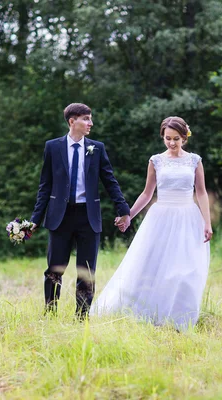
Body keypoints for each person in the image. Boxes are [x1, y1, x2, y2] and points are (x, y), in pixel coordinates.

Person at [91, 116, 213, 331]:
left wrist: (207, 222)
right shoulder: (156, 160)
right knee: (152, 264)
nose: (172, 143)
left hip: (187, 217)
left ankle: (180, 318)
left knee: (186, 269)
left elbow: (201, 193)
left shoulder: (194, 160)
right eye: (168, 138)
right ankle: (150, 312)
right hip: (161, 217)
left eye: (176, 138)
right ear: (163, 137)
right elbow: (147, 193)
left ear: (185, 137)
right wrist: (129, 215)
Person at [30, 103, 131, 319]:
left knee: (86, 271)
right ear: (72, 121)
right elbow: (45, 186)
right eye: (86, 119)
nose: (90, 123)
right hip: (60, 216)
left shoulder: (97, 148)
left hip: (88, 217)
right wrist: (34, 220)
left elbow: (110, 181)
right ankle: (50, 313)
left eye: (90, 119)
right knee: (54, 270)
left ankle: (82, 317)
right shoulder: (53, 147)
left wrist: (124, 210)